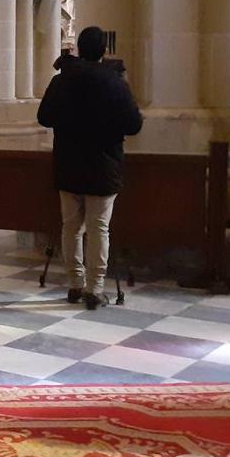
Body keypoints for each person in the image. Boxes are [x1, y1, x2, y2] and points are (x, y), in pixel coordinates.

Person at [38, 26, 143, 310]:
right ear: (103, 52)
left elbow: (44, 117)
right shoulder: (114, 83)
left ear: (78, 50)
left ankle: (75, 283)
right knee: (99, 229)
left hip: (68, 165)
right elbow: (134, 125)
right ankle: (94, 289)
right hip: (103, 166)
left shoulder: (61, 81)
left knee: (71, 228)